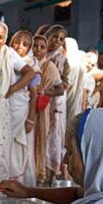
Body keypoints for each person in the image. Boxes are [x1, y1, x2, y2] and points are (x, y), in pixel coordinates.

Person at [0, 22, 35, 187]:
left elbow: (30, 73)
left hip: (2, 107)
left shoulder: (9, 54)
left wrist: (13, 88)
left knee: (2, 150)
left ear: (5, 38)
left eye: (1, 37)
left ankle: (0, 192)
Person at [7, 30, 39, 187]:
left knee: (19, 146)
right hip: (6, 108)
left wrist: (31, 119)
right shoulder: (7, 58)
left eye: (25, 44)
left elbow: (34, 95)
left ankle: (20, 184)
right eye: (17, 42)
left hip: (21, 110)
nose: (20, 46)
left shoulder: (32, 64)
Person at [32, 35, 64, 183]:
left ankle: (40, 176)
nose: (38, 49)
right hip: (23, 109)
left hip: (41, 109)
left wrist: (44, 92)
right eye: (35, 46)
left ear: (46, 50)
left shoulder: (49, 67)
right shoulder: (26, 63)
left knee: (40, 141)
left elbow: (60, 89)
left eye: (42, 47)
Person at [43, 25, 70, 179]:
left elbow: (65, 83)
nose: (57, 41)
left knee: (54, 134)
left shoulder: (62, 59)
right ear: (48, 36)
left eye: (61, 39)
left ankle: (53, 172)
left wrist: (52, 86)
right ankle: (42, 169)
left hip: (56, 101)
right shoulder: (40, 54)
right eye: (54, 37)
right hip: (41, 100)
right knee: (43, 133)